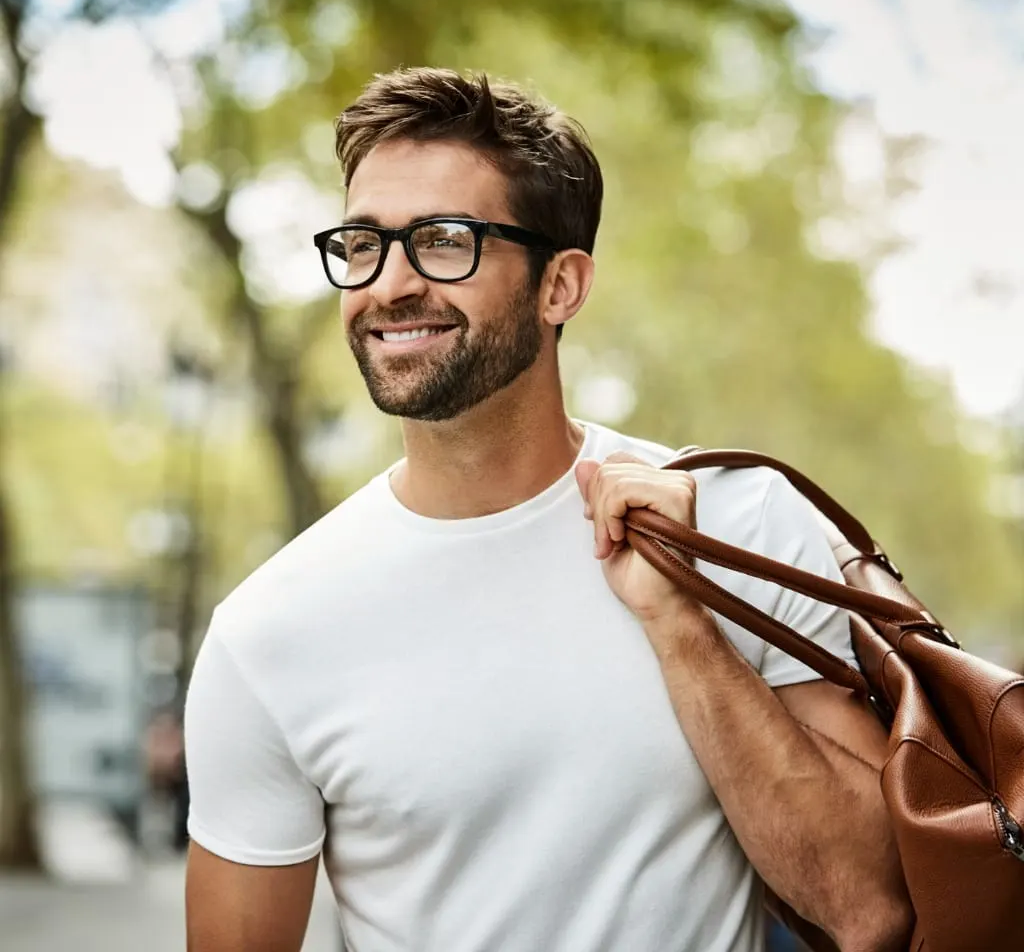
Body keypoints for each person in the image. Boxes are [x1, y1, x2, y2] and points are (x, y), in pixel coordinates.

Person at [183, 68, 912, 952]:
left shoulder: (737, 521)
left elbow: (870, 907)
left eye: (444, 241)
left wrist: (681, 622)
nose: (390, 285)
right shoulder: (269, 632)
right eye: (363, 243)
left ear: (560, 286)